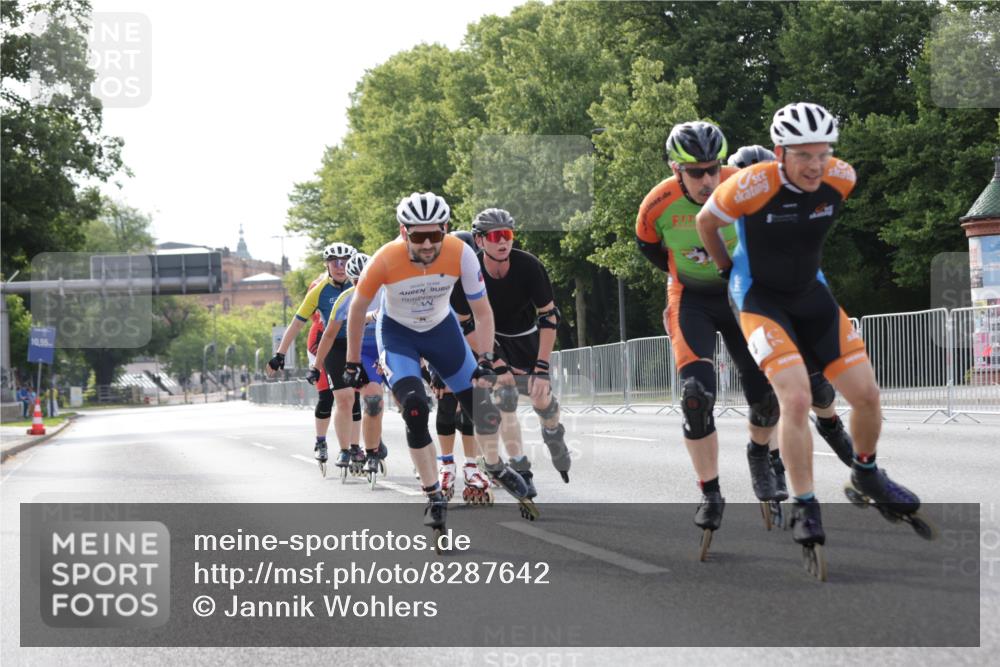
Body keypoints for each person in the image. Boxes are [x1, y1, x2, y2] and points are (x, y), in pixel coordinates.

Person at [697, 101, 924, 552]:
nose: (815, 165)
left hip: (810, 294)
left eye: (822, 153)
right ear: (780, 152)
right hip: (759, 298)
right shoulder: (750, 184)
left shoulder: (843, 177)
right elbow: (706, 221)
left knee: (866, 394)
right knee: (797, 397)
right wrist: (727, 270)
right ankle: (804, 502)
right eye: (803, 155)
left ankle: (865, 473)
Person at [343, 192, 535, 531]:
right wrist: (352, 361)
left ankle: (494, 466)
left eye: (436, 234)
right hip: (398, 336)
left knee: (481, 406)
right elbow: (357, 311)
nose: (429, 244)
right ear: (404, 233)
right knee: (416, 409)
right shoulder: (385, 259)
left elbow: (482, 311)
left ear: (446, 228)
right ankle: (434, 495)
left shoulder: (460, 253)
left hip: (441, 331)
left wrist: (487, 358)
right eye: (419, 236)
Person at [636, 121, 781, 547]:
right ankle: (711, 492)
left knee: (767, 396)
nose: (707, 179)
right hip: (691, 299)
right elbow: (649, 247)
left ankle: (759, 453)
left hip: (740, 295)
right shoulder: (657, 204)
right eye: (695, 171)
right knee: (695, 396)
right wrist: (686, 275)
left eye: (713, 168)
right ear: (674, 169)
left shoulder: (745, 186)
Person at [726, 145, 856, 492]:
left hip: (789, 303)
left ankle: (830, 424)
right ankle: (770, 458)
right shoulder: (725, 213)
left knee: (819, 387)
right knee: (768, 396)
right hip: (746, 306)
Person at [449, 208, 571, 499]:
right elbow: (466, 325)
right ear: (480, 241)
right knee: (505, 397)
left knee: (542, 398)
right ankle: (521, 469)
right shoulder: (468, 272)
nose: (503, 242)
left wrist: (541, 368)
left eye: (508, 235)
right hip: (489, 338)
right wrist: (496, 362)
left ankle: (553, 432)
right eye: (495, 236)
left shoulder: (528, 265)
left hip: (527, 335)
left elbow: (548, 317)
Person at [267, 243, 361, 467]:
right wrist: (279, 355)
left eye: (345, 262)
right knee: (330, 396)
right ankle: (323, 441)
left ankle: (358, 446)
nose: (341, 267)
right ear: (326, 265)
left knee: (357, 397)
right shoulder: (318, 289)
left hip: (357, 343)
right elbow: (296, 324)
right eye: (335, 262)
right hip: (326, 344)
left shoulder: (360, 282)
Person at [313, 253, 389, 475]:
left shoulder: (388, 292)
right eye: (355, 281)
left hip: (386, 345)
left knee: (410, 403)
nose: (361, 285)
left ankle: (378, 444)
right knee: (372, 399)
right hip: (361, 350)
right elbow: (328, 336)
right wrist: (316, 366)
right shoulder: (345, 299)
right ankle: (365, 450)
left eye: (365, 279)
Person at [433, 231, 493, 504]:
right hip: (438, 345)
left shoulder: (478, 279)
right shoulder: (439, 282)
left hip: (471, 344)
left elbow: (486, 320)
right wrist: (433, 371)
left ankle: (471, 465)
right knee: (446, 401)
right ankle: (446, 465)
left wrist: (489, 359)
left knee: (471, 404)